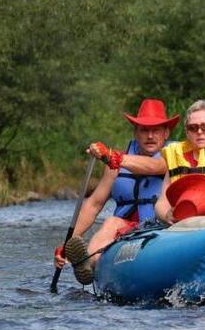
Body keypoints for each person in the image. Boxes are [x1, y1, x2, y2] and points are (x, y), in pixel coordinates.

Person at [54, 98, 178, 285]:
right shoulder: (114, 165)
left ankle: (94, 262)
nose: (150, 135)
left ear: (166, 132)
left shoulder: (174, 157)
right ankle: (88, 263)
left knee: (116, 225)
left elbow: (155, 166)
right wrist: (67, 243)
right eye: (144, 130)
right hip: (126, 229)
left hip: (160, 226)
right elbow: (93, 204)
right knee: (111, 223)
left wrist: (112, 156)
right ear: (136, 132)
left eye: (156, 130)